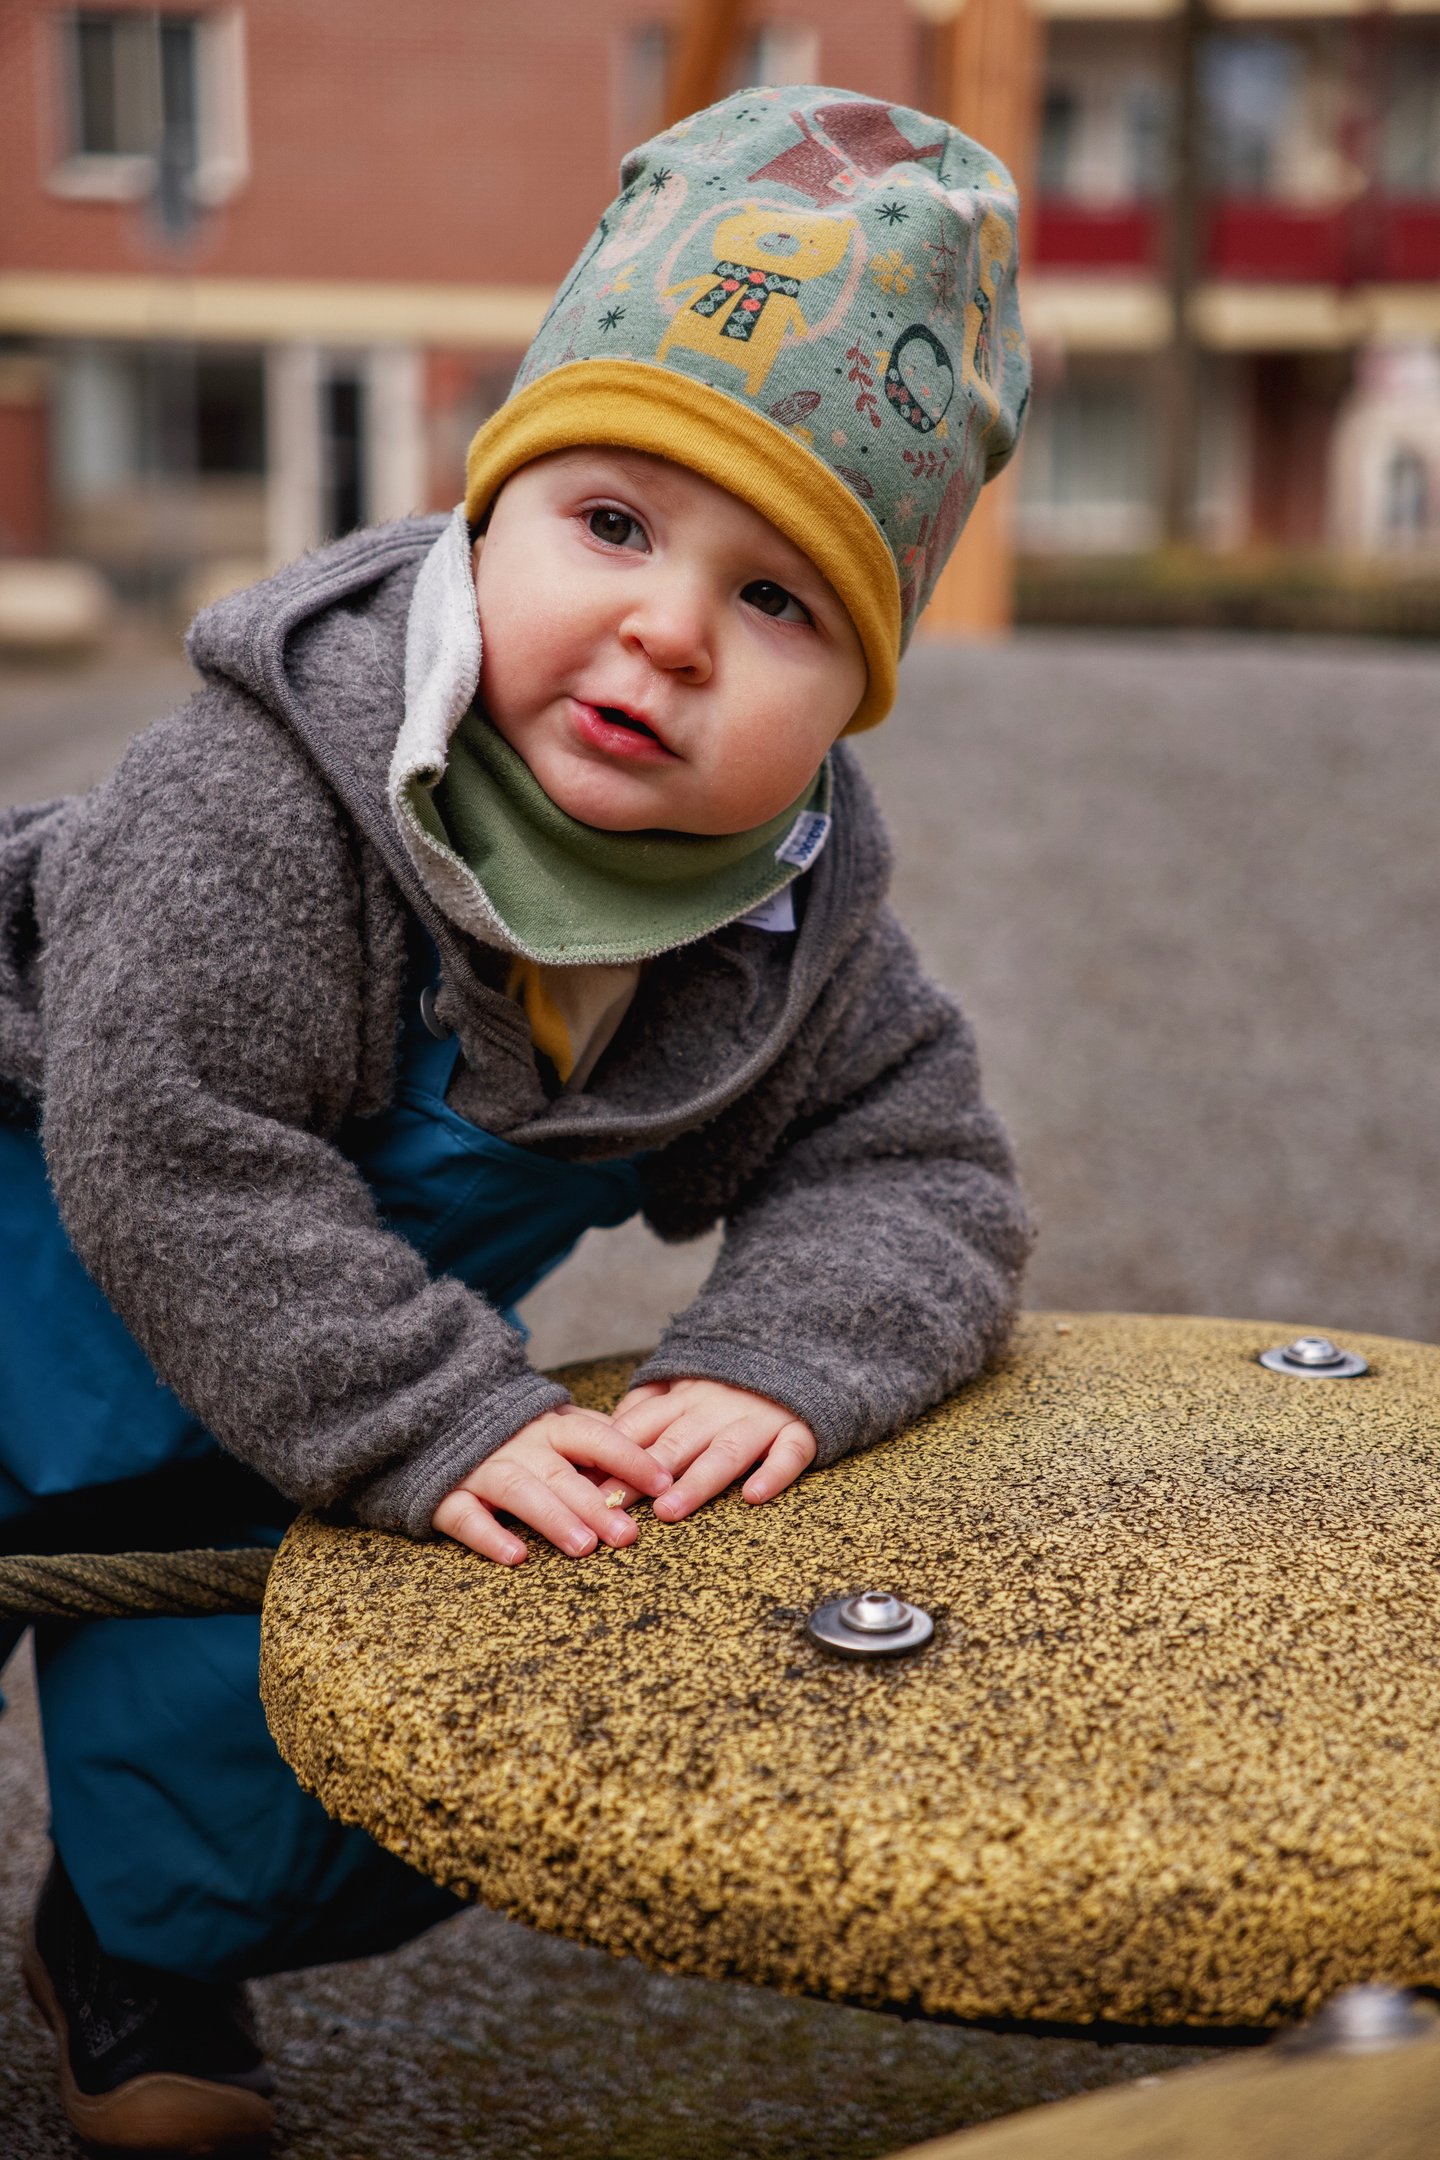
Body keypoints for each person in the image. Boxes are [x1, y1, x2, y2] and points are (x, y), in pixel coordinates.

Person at [0, 85, 1031, 2154]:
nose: (665, 630)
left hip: (287, 1355)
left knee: (244, 1661)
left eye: (781, 603)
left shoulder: (777, 919)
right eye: (617, 525)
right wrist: (434, 1410)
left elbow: (913, 1161)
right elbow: (167, 1136)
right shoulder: (279, 785)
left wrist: (784, 1358)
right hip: (51, 1217)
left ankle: (135, 1939)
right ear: (490, 514)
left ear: (862, 691)